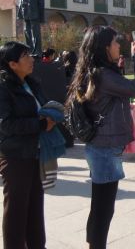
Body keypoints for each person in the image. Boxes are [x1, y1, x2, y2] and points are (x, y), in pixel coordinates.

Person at [66, 26, 135, 249]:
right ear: (105, 47)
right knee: (104, 207)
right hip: (104, 146)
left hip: (100, 144)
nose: (118, 46)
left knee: (101, 205)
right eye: (115, 42)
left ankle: (94, 244)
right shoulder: (104, 75)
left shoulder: (94, 71)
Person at [0, 41, 57, 249]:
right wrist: (41, 124)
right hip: (16, 156)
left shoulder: (31, 83)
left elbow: (41, 107)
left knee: (35, 207)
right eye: (25, 55)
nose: (31, 59)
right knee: (16, 211)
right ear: (12, 64)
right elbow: (5, 125)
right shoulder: (3, 88)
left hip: (36, 152)